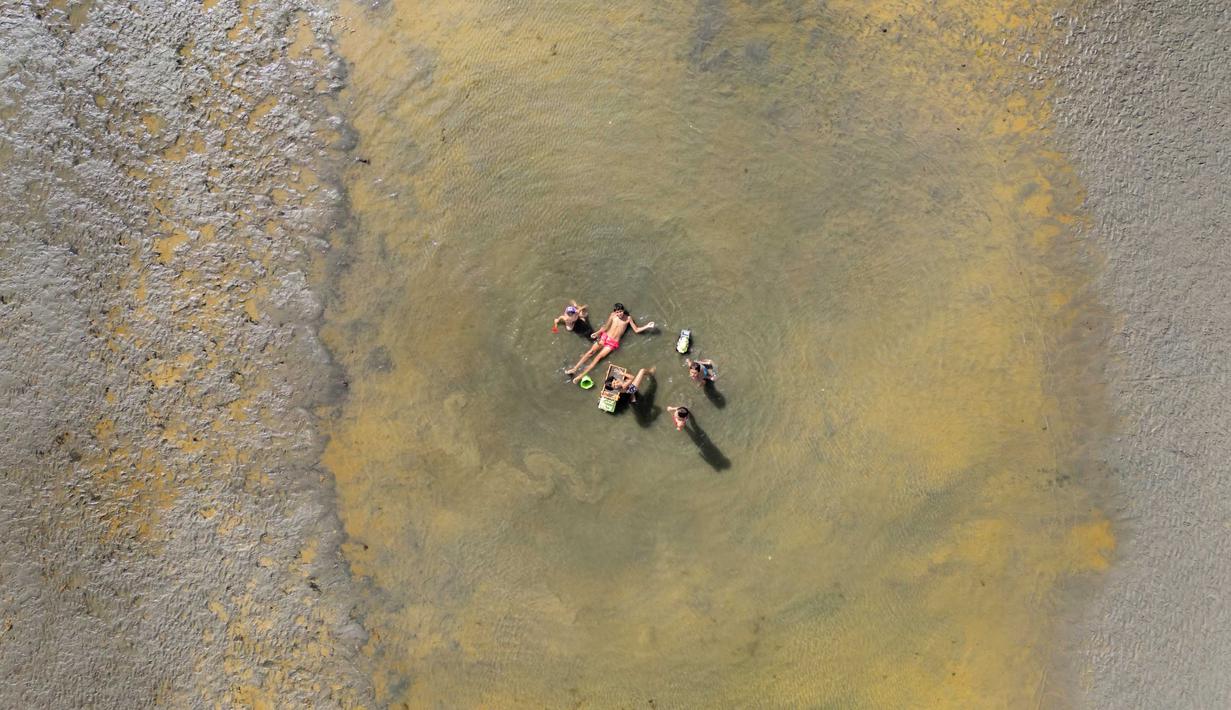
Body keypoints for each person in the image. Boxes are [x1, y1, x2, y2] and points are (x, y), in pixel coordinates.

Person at [566, 303, 654, 383]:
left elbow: (636, 330)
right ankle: (574, 369)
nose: (619, 314)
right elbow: (605, 327)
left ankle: (580, 376)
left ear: (623, 311)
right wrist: (597, 333)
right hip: (605, 337)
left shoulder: (628, 318)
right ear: (615, 312)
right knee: (590, 352)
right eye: (618, 312)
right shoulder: (612, 316)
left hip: (612, 343)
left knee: (597, 358)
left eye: (621, 311)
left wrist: (647, 326)